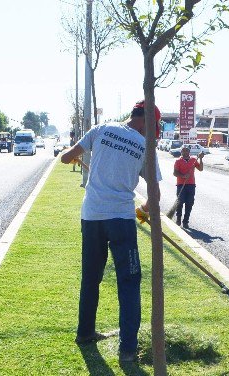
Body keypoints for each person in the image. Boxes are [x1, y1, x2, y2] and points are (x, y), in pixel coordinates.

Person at [60, 100, 162, 363]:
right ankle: (128, 349)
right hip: (121, 220)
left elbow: (66, 157)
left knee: (90, 277)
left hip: (92, 216)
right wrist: (144, 209)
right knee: (129, 282)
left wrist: (70, 154)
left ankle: (85, 333)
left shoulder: (101, 129)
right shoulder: (144, 146)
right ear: (147, 122)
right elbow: (155, 193)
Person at [173, 146, 204, 229]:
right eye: (183, 151)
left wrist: (200, 159)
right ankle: (178, 218)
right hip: (181, 185)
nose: (185, 152)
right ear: (181, 152)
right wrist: (183, 176)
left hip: (191, 185)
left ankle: (185, 221)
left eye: (187, 150)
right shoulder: (178, 161)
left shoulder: (193, 160)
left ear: (189, 152)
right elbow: (175, 173)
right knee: (180, 202)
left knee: (189, 203)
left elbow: (200, 169)